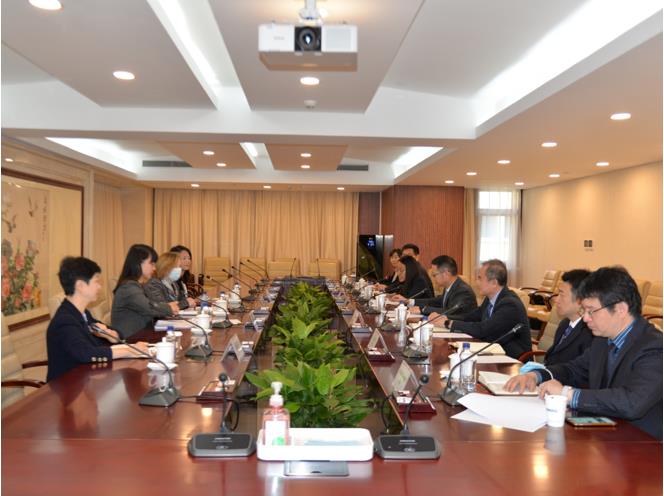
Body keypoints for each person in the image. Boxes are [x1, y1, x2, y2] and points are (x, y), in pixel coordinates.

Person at [505, 267, 662, 439]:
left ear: (620, 309)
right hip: (606, 434)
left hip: (644, 444)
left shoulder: (654, 347)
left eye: (591, 311)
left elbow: (631, 402)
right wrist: (536, 376)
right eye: (584, 311)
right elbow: (574, 370)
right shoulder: (603, 339)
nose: (585, 318)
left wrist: (567, 394)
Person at [46, 257, 149, 382]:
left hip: (86, 379)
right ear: (80, 286)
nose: (99, 287)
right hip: (66, 386)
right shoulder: (65, 320)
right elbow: (87, 353)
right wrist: (129, 351)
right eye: (96, 281)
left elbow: (111, 334)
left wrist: (110, 334)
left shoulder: (83, 314)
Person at [439, 259, 531, 359]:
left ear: (494, 282)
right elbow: (470, 317)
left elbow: (484, 330)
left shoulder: (510, 304)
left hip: (512, 359)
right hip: (493, 352)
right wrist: (445, 318)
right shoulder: (490, 298)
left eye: (480, 278)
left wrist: (450, 323)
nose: (476, 282)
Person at [111, 244, 179, 338]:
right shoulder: (128, 287)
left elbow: (153, 304)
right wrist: (169, 308)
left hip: (141, 334)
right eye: (152, 264)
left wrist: (167, 306)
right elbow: (149, 308)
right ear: (138, 263)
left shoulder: (140, 284)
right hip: (130, 339)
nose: (154, 268)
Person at [393, 255, 477, 320]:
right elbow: (437, 301)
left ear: (445, 274)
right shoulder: (450, 286)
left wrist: (423, 309)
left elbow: (450, 311)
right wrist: (410, 301)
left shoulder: (463, 291)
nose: (433, 278)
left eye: (434, 275)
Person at [541, 269, 594, 366]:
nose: (556, 300)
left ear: (580, 300)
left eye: (562, 294)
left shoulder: (590, 333)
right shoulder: (564, 323)